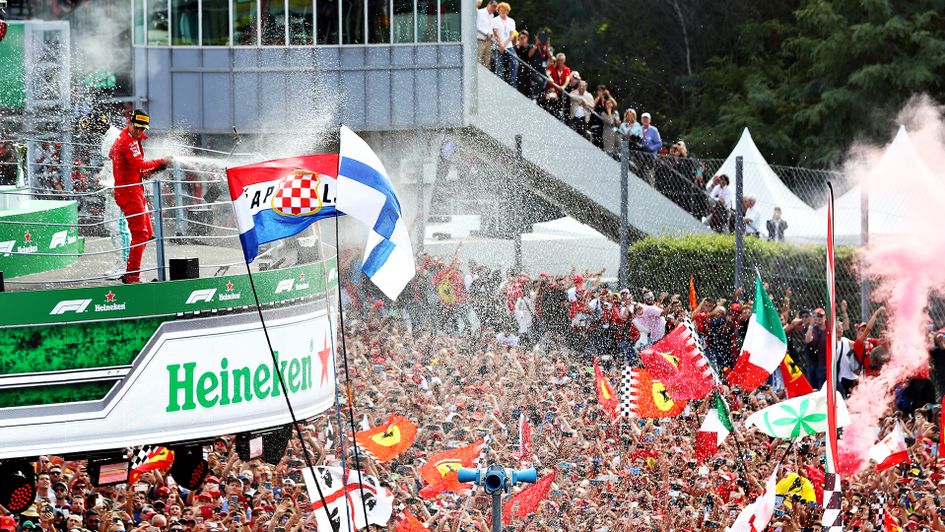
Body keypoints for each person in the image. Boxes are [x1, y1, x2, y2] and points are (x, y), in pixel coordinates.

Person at [109, 109, 173, 284]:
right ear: (129, 123)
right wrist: (161, 161)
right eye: (136, 127)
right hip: (129, 192)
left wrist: (147, 171)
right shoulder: (128, 141)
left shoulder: (126, 137)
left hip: (134, 190)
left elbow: (113, 154)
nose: (139, 131)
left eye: (142, 128)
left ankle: (130, 271)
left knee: (147, 233)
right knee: (140, 233)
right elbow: (140, 165)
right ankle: (132, 276)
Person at [491, 3, 517, 88]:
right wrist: (501, 45)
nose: (503, 11)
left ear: (508, 11)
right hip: (497, 46)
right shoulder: (495, 20)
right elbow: (496, 34)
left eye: (505, 10)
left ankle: (512, 84)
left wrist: (504, 46)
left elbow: (512, 35)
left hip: (508, 46)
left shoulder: (511, 21)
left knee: (515, 63)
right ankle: (500, 85)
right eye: (501, 10)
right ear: (498, 11)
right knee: (499, 66)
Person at [475, 0, 497, 68]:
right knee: (479, 59)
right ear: (488, 5)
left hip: (488, 40)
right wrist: (486, 33)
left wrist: (490, 34)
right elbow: (477, 25)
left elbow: (490, 26)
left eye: (494, 7)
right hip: (480, 39)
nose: (493, 9)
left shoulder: (492, 15)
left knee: (487, 60)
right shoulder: (480, 12)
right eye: (492, 6)